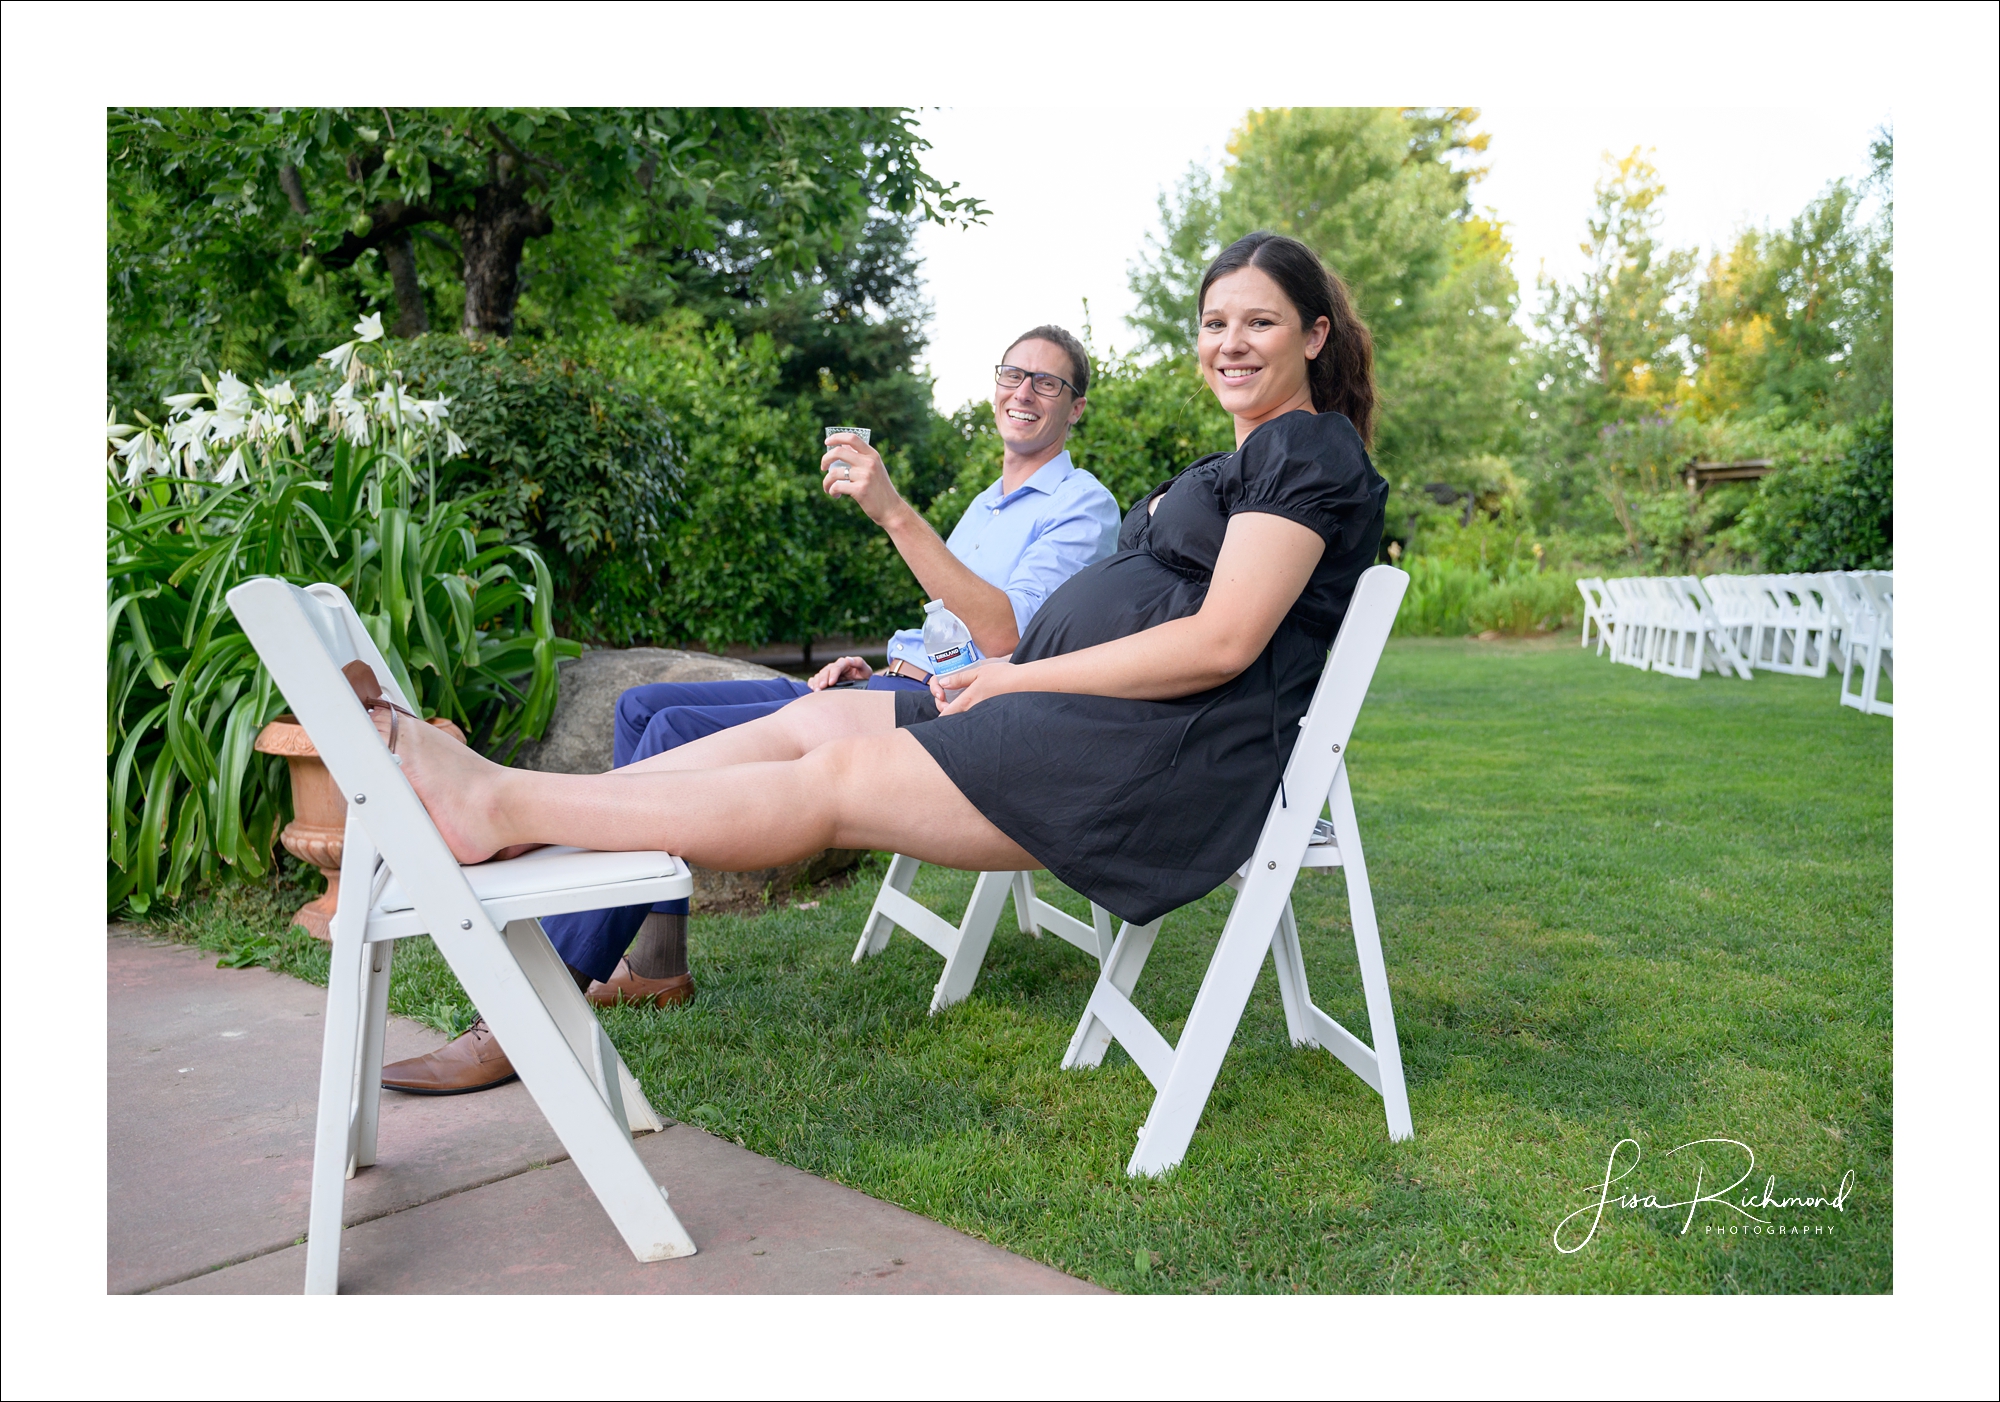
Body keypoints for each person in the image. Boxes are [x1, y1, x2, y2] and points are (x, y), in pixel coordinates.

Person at [373, 231, 1385, 1096]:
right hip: (1061, 705)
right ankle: (510, 821)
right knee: (802, 725)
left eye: (1257, 321)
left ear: (1313, 334)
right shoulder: (1233, 462)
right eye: (1214, 321)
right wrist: (950, 665)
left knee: (829, 780)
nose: (1229, 342)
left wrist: (1011, 672)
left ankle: (500, 808)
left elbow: (1220, 641)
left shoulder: (1307, 454)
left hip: (1147, 751)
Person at [381, 325, 1121, 1094]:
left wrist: (894, 512)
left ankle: (533, 1004)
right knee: (642, 708)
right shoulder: (987, 505)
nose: (1024, 391)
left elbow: (1002, 634)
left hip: (938, 714)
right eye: (1013, 374)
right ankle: (657, 968)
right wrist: (875, 660)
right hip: (881, 684)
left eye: (1048, 382)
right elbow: (947, 619)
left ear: (1076, 409)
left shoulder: (1083, 504)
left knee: (667, 732)